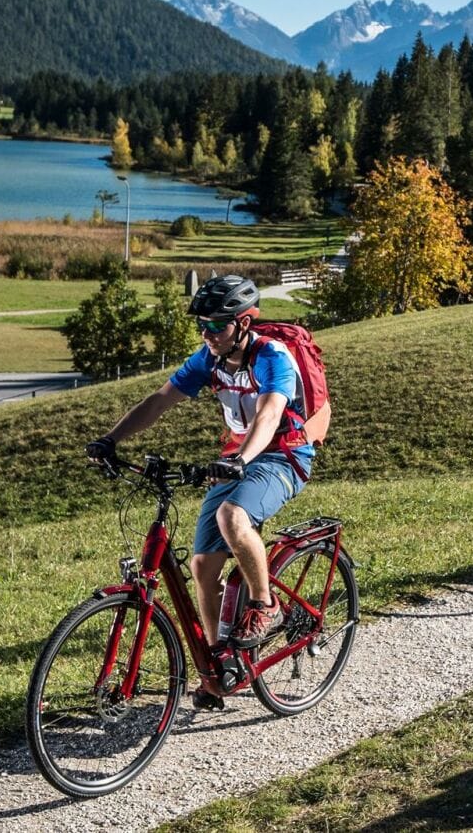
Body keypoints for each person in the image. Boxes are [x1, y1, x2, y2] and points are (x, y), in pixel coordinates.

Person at [85, 274, 314, 708]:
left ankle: (266, 605)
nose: (206, 333)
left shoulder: (272, 356)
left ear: (244, 323)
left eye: (216, 325)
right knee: (203, 566)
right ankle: (217, 669)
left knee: (232, 518)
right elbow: (159, 399)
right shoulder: (209, 360)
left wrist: (242, 459)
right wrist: (111, 439)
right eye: (202, 325)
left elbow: (269, 414)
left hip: (283, 456)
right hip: (235, 459)